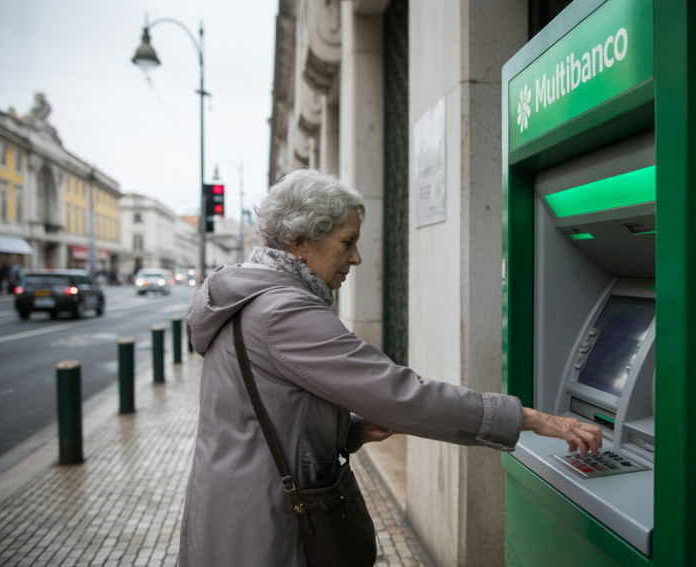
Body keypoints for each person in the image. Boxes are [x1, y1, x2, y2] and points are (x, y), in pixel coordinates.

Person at [181, 169, 601, 566]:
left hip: (228, 508)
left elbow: (259, 414)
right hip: (262, 525)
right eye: (347, 243)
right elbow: (401, 393)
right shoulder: (283, 311)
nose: (357, 258)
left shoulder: (247, 297)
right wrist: (528, 418)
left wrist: (349, 430)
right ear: (300, 241)